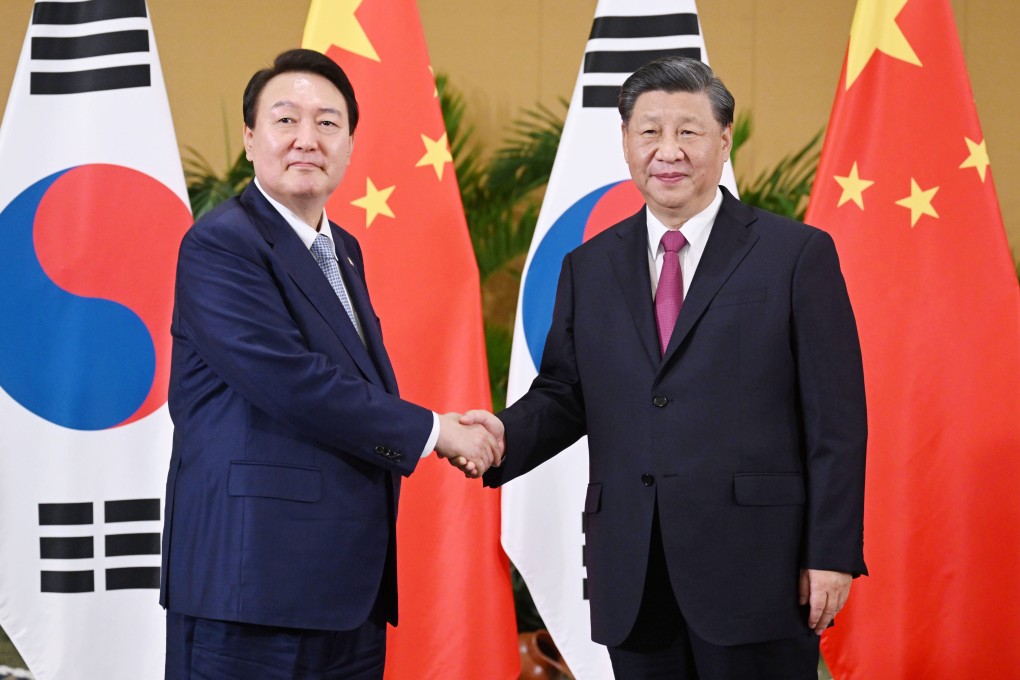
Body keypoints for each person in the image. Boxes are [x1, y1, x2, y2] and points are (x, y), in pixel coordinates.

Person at [464, 56, 867, 679]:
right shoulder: (588, 267)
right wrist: (496, 439)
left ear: (724, 140)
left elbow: (836, 420)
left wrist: (832, 552)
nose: (668, 150)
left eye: (689, 130)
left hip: (759, 570)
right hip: (634, 573)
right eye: (649, 131)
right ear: (625, 142)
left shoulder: (795, 255)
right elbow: (566, 393)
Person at [159, 48, 494, 679]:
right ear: (250, 138)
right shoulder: (220, 243)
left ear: (349, 143)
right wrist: (434, 432)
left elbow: (352, 381)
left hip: (344, 593)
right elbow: (291, 381)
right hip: (252, 589)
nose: (306, 139)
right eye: (286, 121)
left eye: (328, 123)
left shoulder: (341, 249)